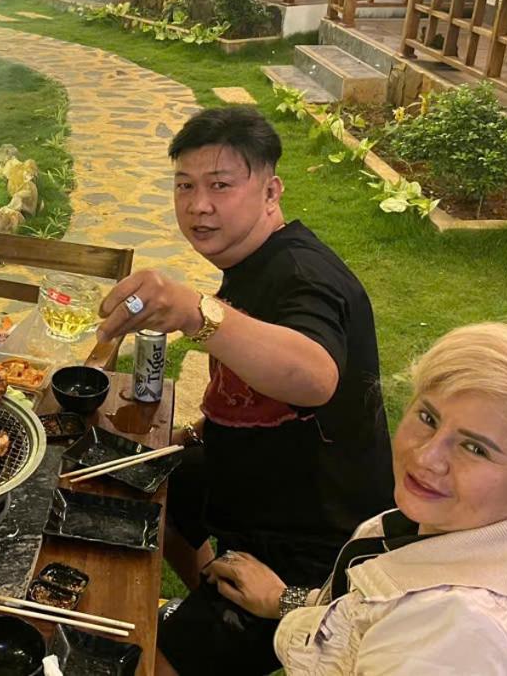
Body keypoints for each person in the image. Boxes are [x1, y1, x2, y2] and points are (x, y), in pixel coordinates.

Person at [95, 105, 394, 676]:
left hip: (313, 541)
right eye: (185, 185)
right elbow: (258, 389)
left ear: (271, 191)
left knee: (146, 665)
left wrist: (194, 311)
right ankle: (209, 588)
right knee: (153, 481)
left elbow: (314, 376)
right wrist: (200, 431)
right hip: (258, 485)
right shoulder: (253, 260)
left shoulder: (301, 273)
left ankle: (225, 627)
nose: (198, 205)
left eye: (220, 185)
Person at [206, 321, 507, 674]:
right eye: (428, 418)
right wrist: (284, 600)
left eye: (475, 448)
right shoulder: (500, 536)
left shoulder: (453, 636)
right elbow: (367, 615)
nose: (426, 457)